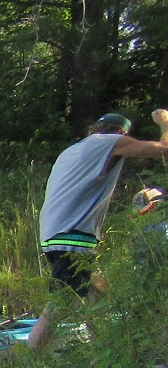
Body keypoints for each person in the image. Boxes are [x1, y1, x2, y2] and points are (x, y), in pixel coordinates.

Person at [29, 110, 168, 348]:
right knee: (62, 297)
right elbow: (164, 150)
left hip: (52, 232)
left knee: (97, 289)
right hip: (74, 234)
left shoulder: (71, 151)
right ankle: (27, 360)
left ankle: (109, 348)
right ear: (121, 132)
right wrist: (164, 122)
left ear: (95, 127)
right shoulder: (111, 142)